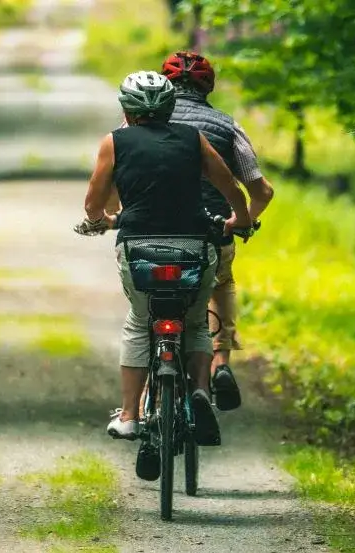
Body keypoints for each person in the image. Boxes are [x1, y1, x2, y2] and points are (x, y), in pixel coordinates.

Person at [74, 70, 253, 446]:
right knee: (195, 323)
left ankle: (129, 415)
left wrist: (100, 221)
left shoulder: (115, 142)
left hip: (139, 249)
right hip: (194, 246)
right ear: (170, 107)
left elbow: (93, 202)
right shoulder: (194, 139)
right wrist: (241, 218)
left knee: (141, 323)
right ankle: (201, 390)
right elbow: (231, 187)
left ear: (127, 107)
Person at [160, 51, 274, 411]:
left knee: (148, 301)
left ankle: (149, 387)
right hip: (210, 234)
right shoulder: (226, 125)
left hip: (153, 234)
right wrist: (243, 222)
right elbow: (262, 191)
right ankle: (221, 362)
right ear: (208, 86)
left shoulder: (141, 123)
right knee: (219, 284)